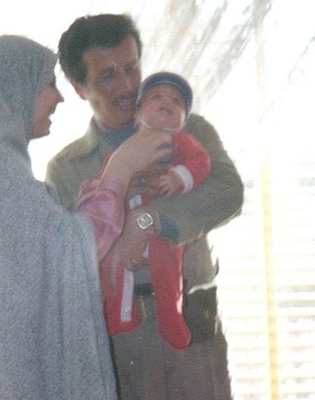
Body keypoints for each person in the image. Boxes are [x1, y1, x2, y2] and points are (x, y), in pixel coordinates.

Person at [0, 34, 173, 400]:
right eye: (49, 84)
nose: (58, 98)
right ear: (17, 89)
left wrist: (102, 198)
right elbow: (70, 250)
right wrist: (120, 170)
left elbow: (43, 247)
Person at [46, 14, 244, 400]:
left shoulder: (191, 132)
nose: (127, 86)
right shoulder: (67, 168)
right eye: (108, 76)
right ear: (79, 87)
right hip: (119, 343)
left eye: (132, 68)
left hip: (193, 330)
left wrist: (149, 219)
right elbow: (70, 262)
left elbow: (228, 193)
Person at [100, 72, 211, 351]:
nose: (167, 103)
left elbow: (201, 162)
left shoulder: (182, 144)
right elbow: (106, 189)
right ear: (137, 116)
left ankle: (172, 319)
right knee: (113, 268)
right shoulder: (122, 152)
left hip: (160, 232)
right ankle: (120, 316)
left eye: (176, 101)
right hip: (123, 232)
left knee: (168, 272)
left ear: (183, 121)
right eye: (156, 97)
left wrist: (179, 177)